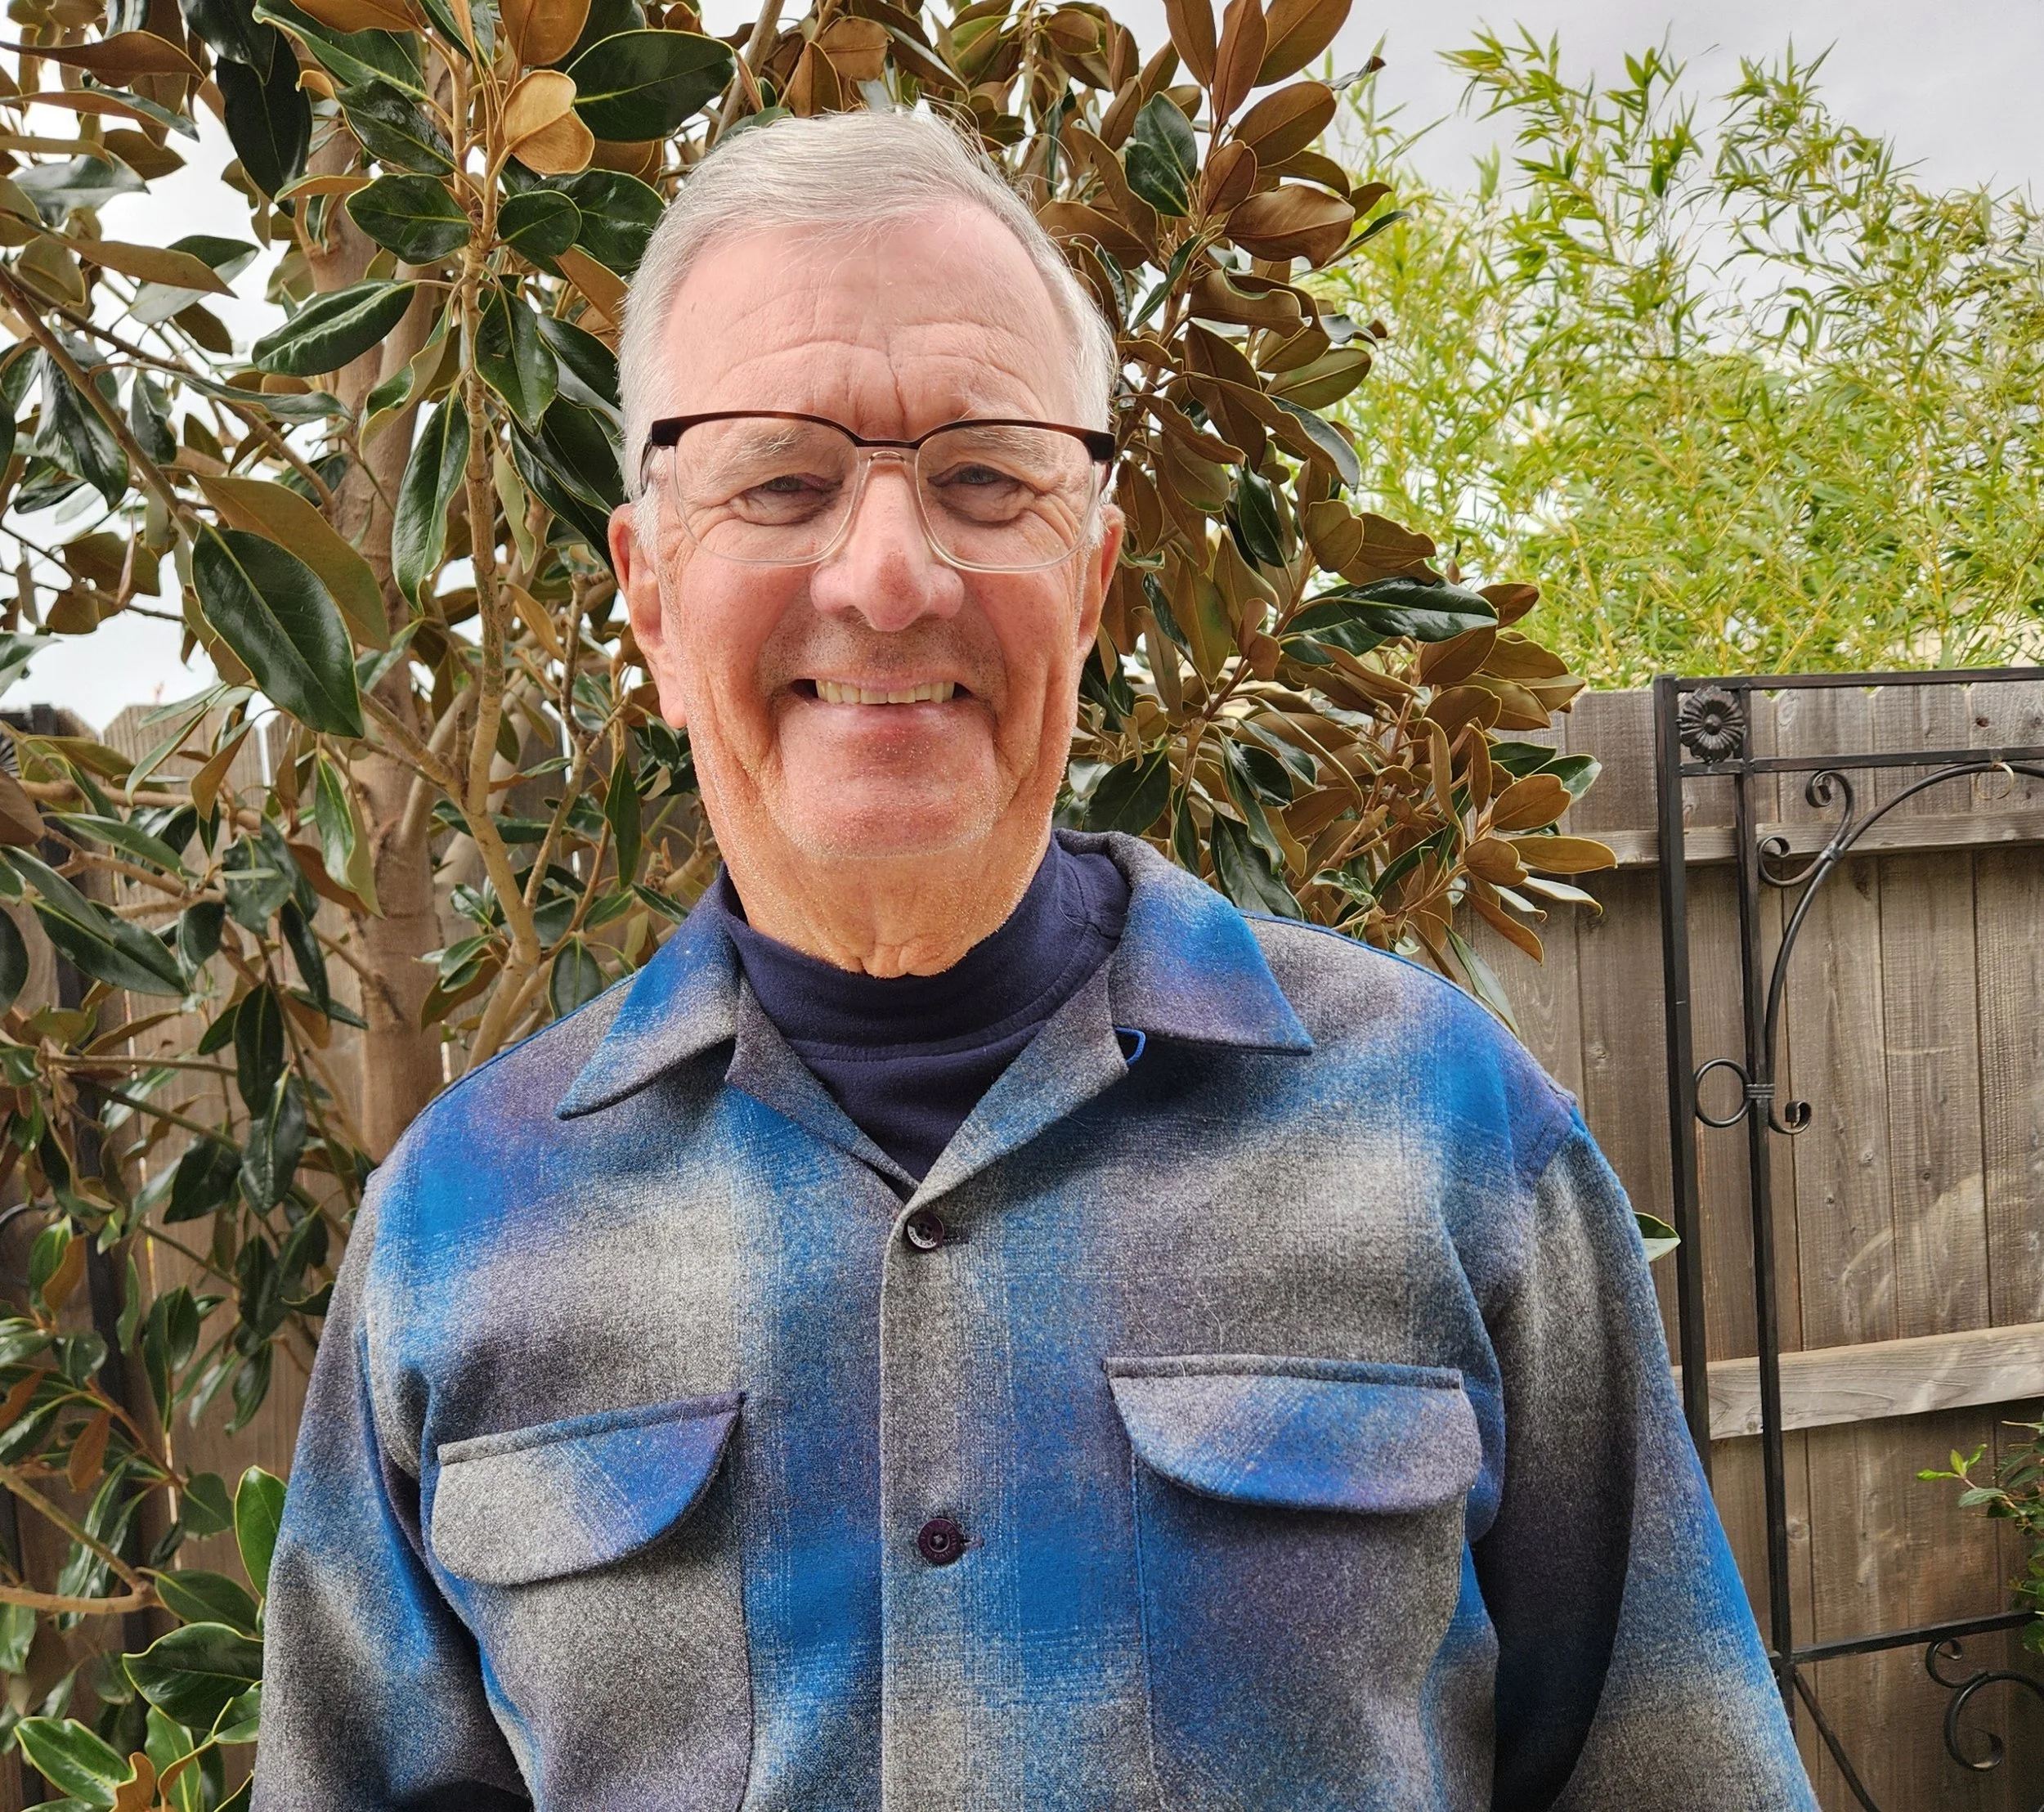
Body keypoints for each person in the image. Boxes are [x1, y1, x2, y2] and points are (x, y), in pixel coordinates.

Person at [254, 110, 1818, 1811]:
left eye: (986, 478)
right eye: (779, 481)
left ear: (1089, 576)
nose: (889, 575)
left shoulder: (1443, 1129)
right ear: (650, 589)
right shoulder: (457, 1221)